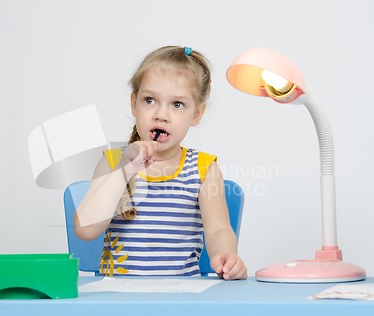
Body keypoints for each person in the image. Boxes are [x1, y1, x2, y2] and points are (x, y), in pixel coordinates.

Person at [74, 46, 247, 280]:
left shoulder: (203, 168)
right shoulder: (113, 161)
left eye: (177, 104)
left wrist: (227, 256)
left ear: (197, 114)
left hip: (181, 299)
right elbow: (85, 229)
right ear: (134, 103)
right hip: (118, 299)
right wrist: (125, 170)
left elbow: (218, 228)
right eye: (149, 100)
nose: (161, 115)